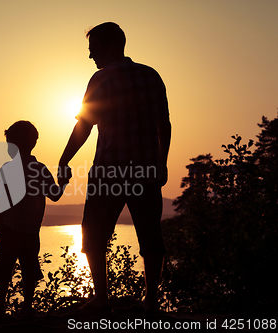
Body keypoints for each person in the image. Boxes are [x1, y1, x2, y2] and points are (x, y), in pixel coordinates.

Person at [58, 22, 171, 313]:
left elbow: (84, 124)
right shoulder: (151, 75)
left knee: (94, 234)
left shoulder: (101, 79)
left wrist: (64, 159)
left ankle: (101, 298)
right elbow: (164, 124)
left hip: (109, 171)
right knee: (150, 236)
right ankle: (152, 302)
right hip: (146, 171)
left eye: (93, 48)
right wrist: (162, 161)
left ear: (110, 46)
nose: (90, 55)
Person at [0, 120, 69, 317]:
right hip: (31, 230)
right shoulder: (40, 169)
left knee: (4, 269)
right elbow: (55, 195)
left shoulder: (7, 168)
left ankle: (0, 307)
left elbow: (1, 199)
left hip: (8, 228)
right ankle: (27, 307)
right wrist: (64, 182)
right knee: (29, 269)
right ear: (33, 143)